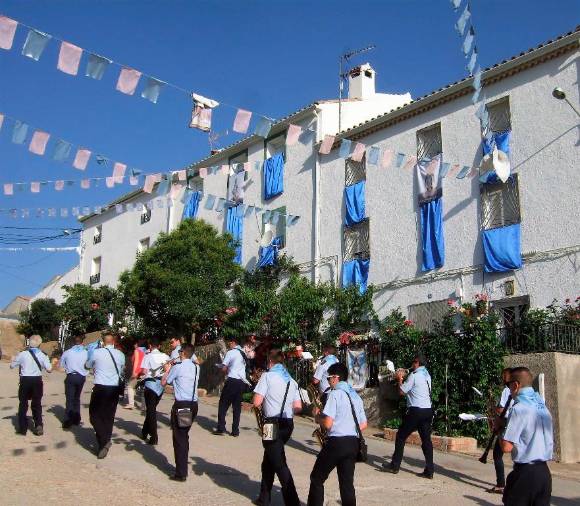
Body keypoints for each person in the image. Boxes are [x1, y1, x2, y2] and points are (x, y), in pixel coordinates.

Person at [307, 362, 367, 506]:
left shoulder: (335, 394)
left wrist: (317, 417)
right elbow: (364, 425)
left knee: (317, 478)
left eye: (328, 378)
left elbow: (328, 423)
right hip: (353, 443)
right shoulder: (356, 397)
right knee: (346, 484)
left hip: (336, 443)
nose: (328, 382)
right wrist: (347, 427)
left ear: (335, 377)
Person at [252, 349, 302, 506]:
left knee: (279, 463)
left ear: (270, 362)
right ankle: (264, 498)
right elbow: (298, 407)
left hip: (270, 424)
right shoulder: (292, 381)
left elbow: (256, 402)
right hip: (288, 424)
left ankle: (293, 501)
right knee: (268, 460)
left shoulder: (267, 376)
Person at [501, 367, 553, 506]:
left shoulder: (519, 408)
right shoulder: (542, 407)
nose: (509, 389)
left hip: (525, 473)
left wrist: (500, 428)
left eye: (509, 385)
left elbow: (506, 447)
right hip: (544, 473)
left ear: (516, 385)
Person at [383, 353, 434, 478]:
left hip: (416, 410)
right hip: (427, 410)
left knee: (400, 437)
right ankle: (429, 470)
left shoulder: (414, 375)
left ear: (418, 363)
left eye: (414, 362)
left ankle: (395, 466)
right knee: (426, 440)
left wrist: (400, 379)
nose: (412, 364)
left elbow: (401, 392)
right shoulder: (427, 374)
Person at [161, 343, 200, 482]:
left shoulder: (177, 367)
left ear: (182, 352)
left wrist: (167, 369)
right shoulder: (196, 367)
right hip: (193, 404)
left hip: (182, 405)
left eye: (179, 351)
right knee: (183, 435)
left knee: (180, 438)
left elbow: (164, 382)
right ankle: (182, 467)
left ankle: (181, 472)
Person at [86, 332, 126, 459]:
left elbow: (88, 365)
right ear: (113, 342)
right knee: (109, 416)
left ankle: (104, 441)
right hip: (114, 388)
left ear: (103, 342)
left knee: (94, 415)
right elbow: (122, 369)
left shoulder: (97, 353)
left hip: (100, 387)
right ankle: (104, 441)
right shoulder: (120, 354)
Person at [10, 334, 52, 435]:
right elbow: (49, 369)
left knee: (23, 404)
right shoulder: (43, 355)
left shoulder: (23, 354)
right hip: (37, 381)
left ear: (29, 343)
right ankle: (38, 425)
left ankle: (23, 428)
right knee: (37, 403)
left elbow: (12, 365)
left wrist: (15, 359)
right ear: (40, 344)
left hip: (25, 381)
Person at [214, 336, 249, 436]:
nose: (228, 344)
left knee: (223, 404)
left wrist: (222, 371)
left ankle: (221, 427)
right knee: (237, 407)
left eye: (229, 342)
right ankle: (235, 430)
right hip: (241, 382)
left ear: (233, 342)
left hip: (232, 381)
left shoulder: (231, 352)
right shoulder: (243, 352)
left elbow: (224, 368)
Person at [487, 367, 514, 494]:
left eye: (504, 375)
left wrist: (493, 408)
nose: (502, 378)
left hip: (505, 425)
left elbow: (500, 410)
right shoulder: (517, 391)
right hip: (514, 424)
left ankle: (501, 484)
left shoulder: (506, 390)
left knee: (498, 454)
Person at [139, 337, 170, 445]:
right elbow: (168, 370)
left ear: (150, 346)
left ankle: (154, 435)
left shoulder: (147, 356)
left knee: (151, 411)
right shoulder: (165, 356)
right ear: (160, 346)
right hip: (160, 386)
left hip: (150, 385)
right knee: (151, 410)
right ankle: (144, 431)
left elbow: (144, 371)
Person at [59, 335, 88, 429]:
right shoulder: (86, 352)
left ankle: (68, 420)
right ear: (82, 342)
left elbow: (61, 365)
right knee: (77, 397)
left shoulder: (67, 352)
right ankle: (76, 418)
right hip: (81, 377)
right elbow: (89, 364)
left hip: (71, 376)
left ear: (73, 342)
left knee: (69, 399)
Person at [123, 338, 147, 410]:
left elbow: (136, 362)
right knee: (142, 389)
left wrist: (134, 372)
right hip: (142, 372)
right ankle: (143, 406)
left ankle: (131, 404)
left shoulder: (136, 351)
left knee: (130, 387)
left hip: (137, 372)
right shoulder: (143, 352)